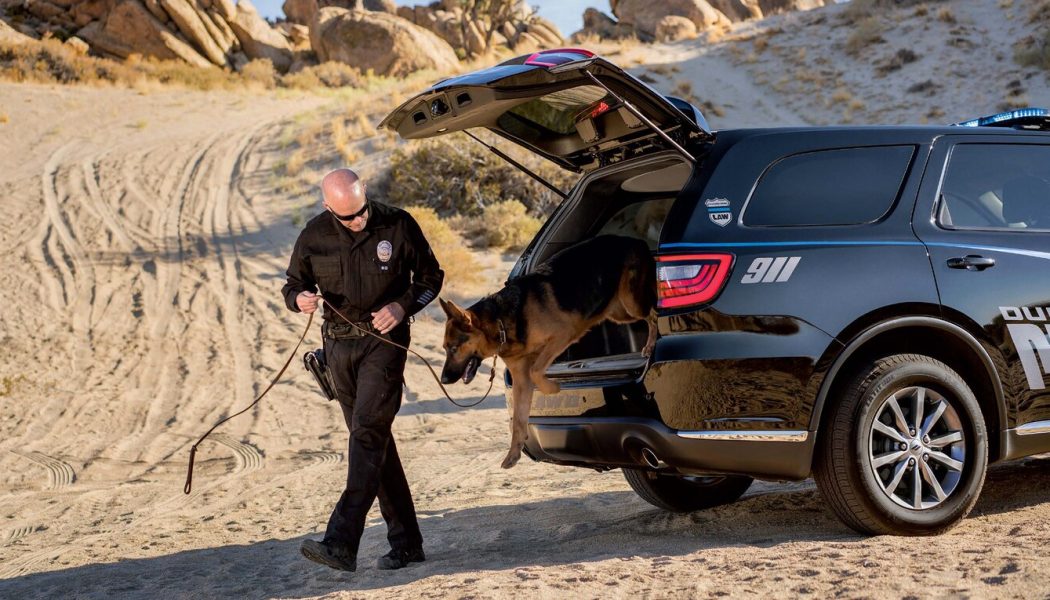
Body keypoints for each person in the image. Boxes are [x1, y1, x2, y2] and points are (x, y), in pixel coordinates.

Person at [282, 168, 443, 572]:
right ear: (327, 209)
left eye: (361, 211)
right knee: (373, 441)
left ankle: (341, 541)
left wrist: (403, 305)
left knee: (368, 433)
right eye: (347, 217)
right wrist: (298, 298)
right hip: (337, 349)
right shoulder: (313, 235)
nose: (357, 221)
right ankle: (407, 544)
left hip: (384, 345)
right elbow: (292, 284)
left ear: (366, 193)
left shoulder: (398, 223)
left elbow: (430, 278)